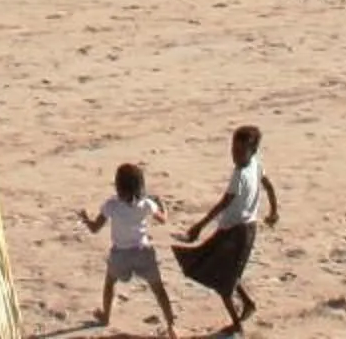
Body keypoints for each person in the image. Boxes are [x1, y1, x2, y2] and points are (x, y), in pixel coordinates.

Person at [173, 124, 277, 333]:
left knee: (223, 281)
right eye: (233, 150)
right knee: (227, 271)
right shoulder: (255, 164)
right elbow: (268, 186)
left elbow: (224, 203)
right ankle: (247, 304)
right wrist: (274, 210)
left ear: (253, 151)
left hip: (236, 233)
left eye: (240, 152)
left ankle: (237, 326)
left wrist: (200, 226)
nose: (235, 156)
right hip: (242, 229)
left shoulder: (239, 175)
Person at [79, 160, 175, 334]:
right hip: (143, 252)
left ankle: (106, 316)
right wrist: (163, 206)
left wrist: (86, 219)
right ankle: (171, 324)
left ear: (117, 187)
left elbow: (94, 228)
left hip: (120, 254)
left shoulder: (112, 205)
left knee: (110, 283)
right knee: (158, 289)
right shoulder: (146, 204)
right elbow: (163, 219)